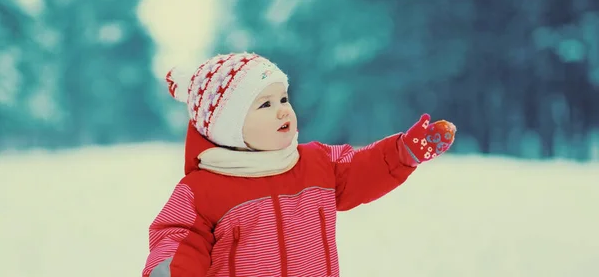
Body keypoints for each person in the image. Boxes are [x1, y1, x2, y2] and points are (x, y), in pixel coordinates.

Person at [141, 52, 456, 277]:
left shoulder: (315, 163)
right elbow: (178, 237)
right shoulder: (203, 189)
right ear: (228, 126)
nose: (282, 111)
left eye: (283, 99)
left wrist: (403, 153)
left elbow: (361, 169)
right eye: (265, 104)